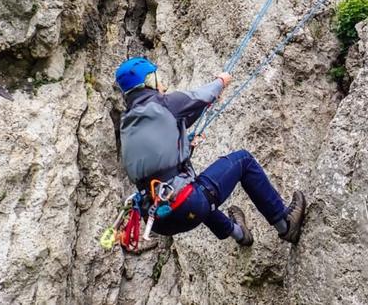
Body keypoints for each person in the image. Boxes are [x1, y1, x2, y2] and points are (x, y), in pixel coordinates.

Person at [115, 57, 306, 246]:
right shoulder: (163, 105)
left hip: (158, 220)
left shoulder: (128, 124)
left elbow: (160, 153)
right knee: (243, 161)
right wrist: (221, 81)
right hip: (186, 205)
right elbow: (200, 96)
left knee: (197, 192)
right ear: (148, 80)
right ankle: (285, 225)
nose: (161, 83)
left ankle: (239, 234)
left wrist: (187, 143)